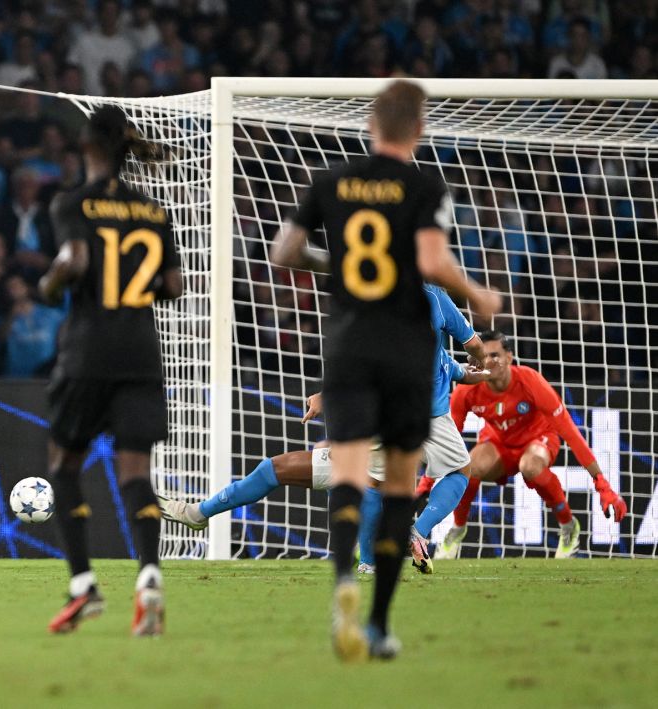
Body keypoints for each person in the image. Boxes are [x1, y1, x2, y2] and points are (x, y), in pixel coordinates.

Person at [270, 79, 501, 661]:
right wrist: (476, 291)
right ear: (418, 130)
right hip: (406, 354)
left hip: (348, 349)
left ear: (370, 126)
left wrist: (337, 260)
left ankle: (344, 581)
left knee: (348, 475)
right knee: (399, 487)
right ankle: (377, 625)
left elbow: (284, 253)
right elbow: (429, 261)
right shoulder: (425, 186)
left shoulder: (330, 181)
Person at [161, 286, 490, 576]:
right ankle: (407, 537)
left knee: (358, 476)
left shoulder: (380, 303)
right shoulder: (433, 304)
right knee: (282, 470)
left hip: (376, 418)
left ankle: (370, 558)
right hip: (409, 418)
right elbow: (466, 352)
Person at [40, 106, 182, 637]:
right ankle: (148, 579)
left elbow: (73, 262)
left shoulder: (72, 203)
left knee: (64, 465)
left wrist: (49, 285)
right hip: (142, 354)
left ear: (88, 147)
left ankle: (84, 586)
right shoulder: (152, 210)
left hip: (88, 352)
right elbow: (173, 286)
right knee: (136, 473)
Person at [434, 330, 627, 560]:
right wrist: (426, 483)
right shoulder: (467, 389)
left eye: (496, 355)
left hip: (539, 438)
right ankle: (457, 529)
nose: (490, 361)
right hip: (499, 442)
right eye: (485, 356)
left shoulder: (530, 381)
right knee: (468, 467)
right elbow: (448, 439)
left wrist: (601, 483)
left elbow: (570, 432)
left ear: (509, 357)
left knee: (531, 465)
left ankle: (568, 526)